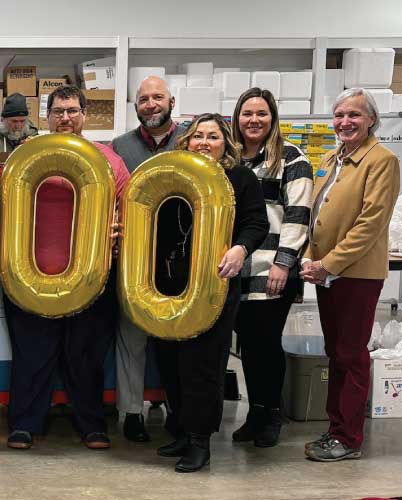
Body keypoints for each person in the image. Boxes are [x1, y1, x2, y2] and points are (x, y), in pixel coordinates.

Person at [3, 85, 131, 451]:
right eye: (58, 111)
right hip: (33, 275)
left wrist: (121, 224)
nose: (65, 118)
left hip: (92, 278)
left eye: (73, 111)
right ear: (47, 116)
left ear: (84, 114)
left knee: (86, 357)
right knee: (31, 354)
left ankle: (91, 424)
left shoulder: (109, 161)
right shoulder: (25, 157)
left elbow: (131, 206)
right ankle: (25, 424)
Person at [144, 113, 268, 473]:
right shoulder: (171, 176)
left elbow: (256, 222)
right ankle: (181, 431)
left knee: (202, 366)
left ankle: (200, 441)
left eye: (213, 137)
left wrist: (241, 249)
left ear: (225, 144)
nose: (204, 142)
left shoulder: (239, 178)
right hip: (168, 285)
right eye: (198, 136)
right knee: (169, 361)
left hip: (214, 288)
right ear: (186, 141)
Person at [302, 88, 400, 462]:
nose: (345, 122)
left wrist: (329, 263)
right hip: (329, 273)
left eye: (355, 115)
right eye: (340, 114)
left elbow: (371, 223)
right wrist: (313, 258)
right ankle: (335, 428)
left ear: (372, 119)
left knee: (351, 354)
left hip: (356, 274)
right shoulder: (333, 157)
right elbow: (318, 213)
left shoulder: (381, 160)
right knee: (336, 353)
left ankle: (349, 437)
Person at [228, 88, 314, 448]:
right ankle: (255, 414)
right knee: (247, 345)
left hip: (272, 269)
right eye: (247, 113)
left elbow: (298, 215)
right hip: (237, 270)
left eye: (261, 113)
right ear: (237, 118)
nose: (254, 120)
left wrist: (283, 263)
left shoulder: (290, 158)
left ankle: (272, 414)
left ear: (273, 117)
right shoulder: (231, 160)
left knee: (266, 344)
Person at [108, 76, 186, 442]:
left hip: (182, 257)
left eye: (158, 97)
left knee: (176, 336)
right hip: (134, 258)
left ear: (171, 101)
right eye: (143, 99)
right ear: (135, 106)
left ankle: (179, 410)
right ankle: (131, 413)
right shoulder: (120, 146)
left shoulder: (191, 141)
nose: (151, 104)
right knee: (131, 337)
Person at [0, 93, 38, 162]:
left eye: (22, 121)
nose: (18, 126)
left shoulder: (34, 137)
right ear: (2, 120)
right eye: (14, 121)